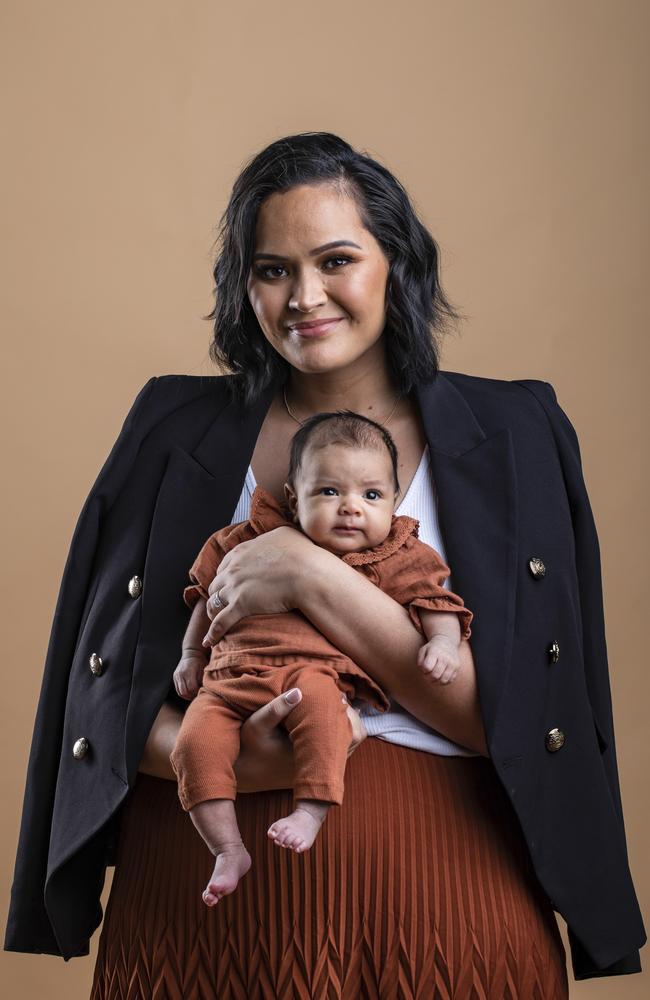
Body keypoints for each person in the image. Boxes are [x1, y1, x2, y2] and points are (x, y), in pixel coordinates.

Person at [4, 132, 645, 997]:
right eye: (272, 270)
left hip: (451, 922)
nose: (305, 297)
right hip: (194, 927)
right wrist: (222, 759)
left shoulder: (518, 433)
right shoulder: (171, 426)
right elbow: (100, 696)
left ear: (397, 264)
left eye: (336, 259)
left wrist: (311, 577)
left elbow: (528, 720)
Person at [170, 410, 474, 903]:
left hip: (313, 676)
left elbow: (434, 601)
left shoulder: (396, 554)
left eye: (371, 496)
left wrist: (441, 642)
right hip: (225, 683)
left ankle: (309, 811)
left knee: (327, 721)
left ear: (395, 503)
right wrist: (189, 654)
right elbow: (209, 595)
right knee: (192, 746)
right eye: (329, 492)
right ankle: (227, 848)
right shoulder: (248, 539)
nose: (350, 508)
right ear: (295, 497)